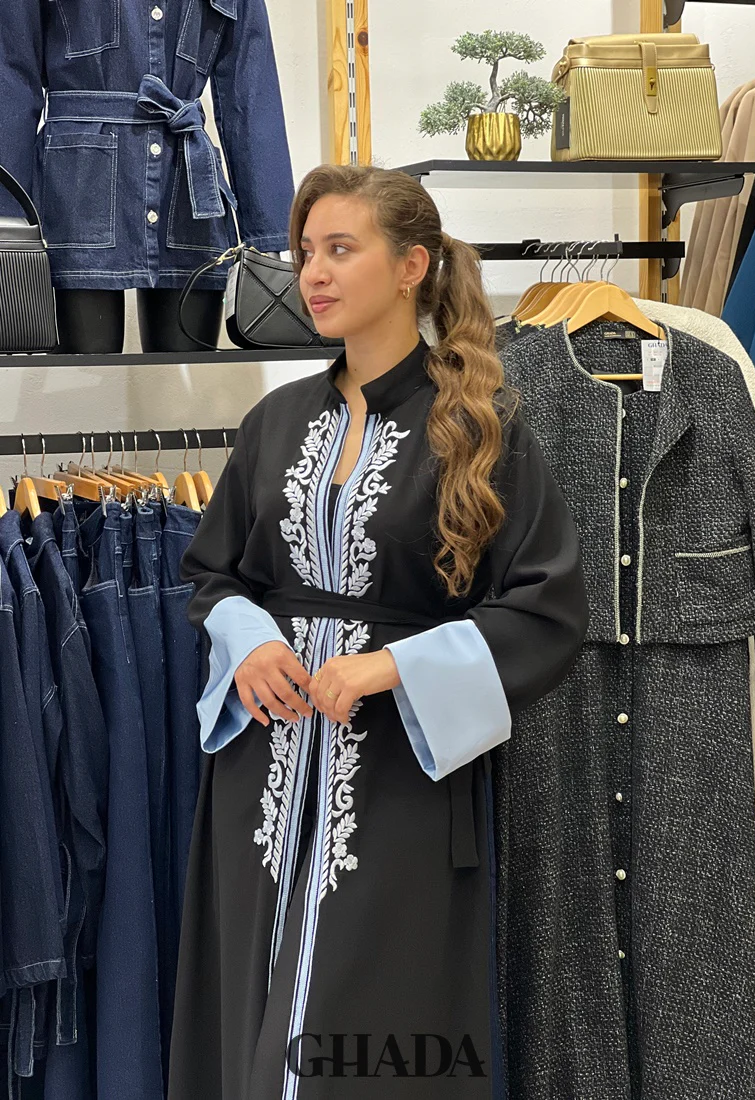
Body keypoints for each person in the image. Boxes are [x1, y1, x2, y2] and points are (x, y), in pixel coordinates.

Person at [167, 163, 590, 1100]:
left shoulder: (478, 427)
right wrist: (251, 640)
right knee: (252, 1010)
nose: (313, 273)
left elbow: (548, 607)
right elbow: (214, 575)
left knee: (363, 1035)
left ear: (410, 266)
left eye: (339, 249)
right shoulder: (274, 421)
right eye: (305, 252)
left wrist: (389, 666)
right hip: (265, 776)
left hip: (398, 778)